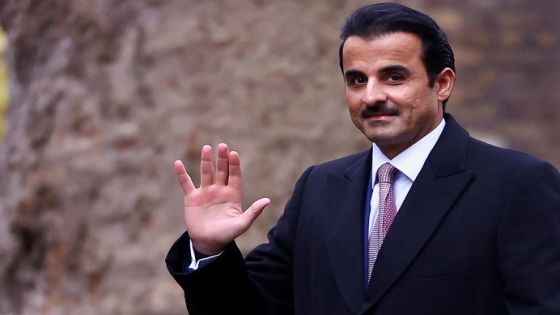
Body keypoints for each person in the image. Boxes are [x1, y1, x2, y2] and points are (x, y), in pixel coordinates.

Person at [166, 2, 560, 314]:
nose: (371, 96)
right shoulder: (319, 187)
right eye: (357, 79)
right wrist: (210, 252)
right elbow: (254, 308)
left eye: (394, 77)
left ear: (441, 84)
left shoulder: (517, 185)